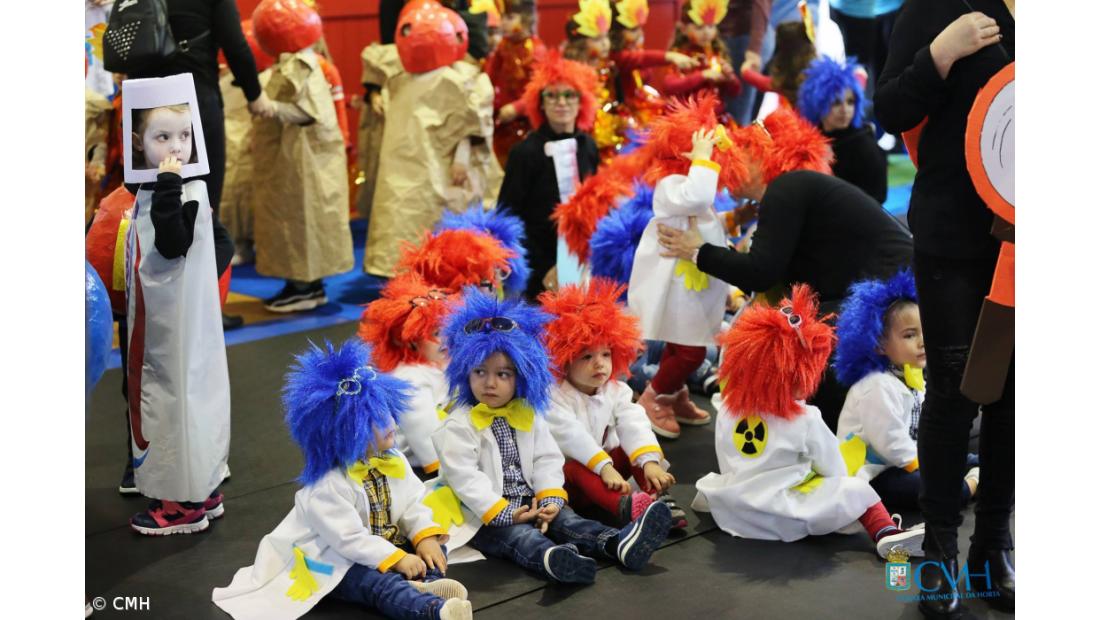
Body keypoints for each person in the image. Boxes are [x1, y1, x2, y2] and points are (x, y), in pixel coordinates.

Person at [874, 1, 1015, 615]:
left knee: (1016, 391)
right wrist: (940, 53)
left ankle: (991, 545)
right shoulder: (934, 6)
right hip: (952, 236)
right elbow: (891, 110)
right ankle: (938, 550)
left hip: (1028, 235)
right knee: (955, 388)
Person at [656, 107, 910, 430]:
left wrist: (698, 251)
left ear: (758, 155)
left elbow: (760, 272)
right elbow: (769, 276)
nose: (725, 165)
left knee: (807, 357)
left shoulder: (786, 188)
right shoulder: (794, 189)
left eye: (736, 154)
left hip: (887, 293)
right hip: (889, 288)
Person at [212, 339, 472, 620]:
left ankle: (427, 581)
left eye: (387, 411)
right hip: (336, 557)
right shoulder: (327, 485)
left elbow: (413, 503)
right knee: (374, 584)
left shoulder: (393, 460)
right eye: (378, 419)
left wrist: (424, 538)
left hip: (384, 543)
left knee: (433, 545)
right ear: (346, 431)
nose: (392, 423)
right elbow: (349, 539)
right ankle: (430, 609)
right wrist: (397, 558)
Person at [432, 290, 673, 584]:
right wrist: (505, 512)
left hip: (532, 499)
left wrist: (549, 498)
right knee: (520, 538)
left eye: (503, 374)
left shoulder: (528, 414)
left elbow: (547, 457)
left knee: (570, 521)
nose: (490, 382)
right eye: (480, 372)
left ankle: (617, 543)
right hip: (484, 516)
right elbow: (465, 478)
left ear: (520, 376)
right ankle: (554, 561)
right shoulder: (459, 423)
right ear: (465, 373)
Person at [693, 285, 926, 558]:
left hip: (738, 511)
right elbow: (834, 469)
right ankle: (886, 532)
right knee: (856, 489)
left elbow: (727, 461)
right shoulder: (805, 418)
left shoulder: (728, 410)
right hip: (786, 511)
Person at [124, 100, 230, 535]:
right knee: (194, 394)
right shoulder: (189, 187)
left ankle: (180, 502)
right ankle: (201, 485)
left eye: (184, 136)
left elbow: (172, 243)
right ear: (138, 143)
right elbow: (217, 244)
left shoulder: (178, 189)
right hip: (188, 320)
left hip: (172, 326)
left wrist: (167, 186)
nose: (176, 147)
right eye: (162, 137)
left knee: (172, 399)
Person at [628, 94, 746, 439]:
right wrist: (703, 160)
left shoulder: (686, 187)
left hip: (692, 283)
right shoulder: (671, 186)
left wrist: (735, 217)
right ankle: (654, 397)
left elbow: (703, 218)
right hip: (679, 287)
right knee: (692, 350)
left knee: (682, 345)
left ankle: (675, 391)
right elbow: (698, 197)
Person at [362, 0, 500, 278]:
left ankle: (439, 270)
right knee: (403, 215)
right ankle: (404, 270)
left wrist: (461, 158)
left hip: (439, 168)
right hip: (407, 163)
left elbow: (470, 125)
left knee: (436, 218)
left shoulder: (459, 80)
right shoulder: (401, 79)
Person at [541, 279, 687, 528]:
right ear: (564, 360)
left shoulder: (615, 390)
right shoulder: (553, 396)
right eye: (587, 356)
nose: (600, 363)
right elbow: (571, 436)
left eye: (606, 354)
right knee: (576, 466)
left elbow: (634, 421)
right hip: (570, 484)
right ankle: (627, 507)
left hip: (608, 474)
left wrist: (649, 463)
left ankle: (657, 497)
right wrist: (604, 467)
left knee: (634, 449)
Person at [834, 270, 979, 512]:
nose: (923, 342)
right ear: (879, 344)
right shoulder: (876, 385)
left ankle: (976, 473)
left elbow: (921, 428)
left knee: (967, 459)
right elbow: (891, 443)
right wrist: (929, 465)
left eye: (925, 332)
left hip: (907, 460)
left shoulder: (910, 377)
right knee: (937, 491)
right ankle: (970, 485)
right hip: (876, 474)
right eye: (910, 335)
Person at [250, 0, 354, 312]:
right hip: (298, 158)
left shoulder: (306, 66)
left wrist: (273, 108)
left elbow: (312, 112)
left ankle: (306, 287)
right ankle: (304, 284)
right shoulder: (297, 63)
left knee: (303, 218)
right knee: (295, 219)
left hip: (307, 160)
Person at [126, 0, 276, 216]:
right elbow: (234, 44)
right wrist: (255, 95)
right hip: (193, 99)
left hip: (140, 102)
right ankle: (194, 249)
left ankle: (143, 249)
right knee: (199, 203)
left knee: (142, 202)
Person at [497, 52, 601, 299]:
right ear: (540, 104)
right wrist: (543, 268)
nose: (561, 102)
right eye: (551, 96)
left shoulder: (588, 146)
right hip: (538, 267)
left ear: (581, 102)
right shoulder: (524, 152)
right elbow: (508, 218)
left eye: (569, 95)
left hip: (583, 263)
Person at [359, 275, 455, 475]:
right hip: (414, 466)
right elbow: (425, 436)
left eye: (447, 328)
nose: (445, 338)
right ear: (410, 340)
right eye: (436, 334)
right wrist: (446, 468)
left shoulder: (438, 361)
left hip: (448, 447)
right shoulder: (410, 380)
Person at [797, 55, 886, 202]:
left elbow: (877, 198)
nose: (845, 110)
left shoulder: (863, 144)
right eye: (836, 103)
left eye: (850, 102)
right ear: (818, 103)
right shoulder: (810, 139)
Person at [659, 0, 742, 106]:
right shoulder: (680, 56)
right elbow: (669, 86)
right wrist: (703, 75)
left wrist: (730, 78)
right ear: (683, 29)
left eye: (711, 26)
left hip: (715, 116)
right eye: (699, 27)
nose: (707, 32)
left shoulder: (717, 53)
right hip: (687, 116)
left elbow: (734, 93)